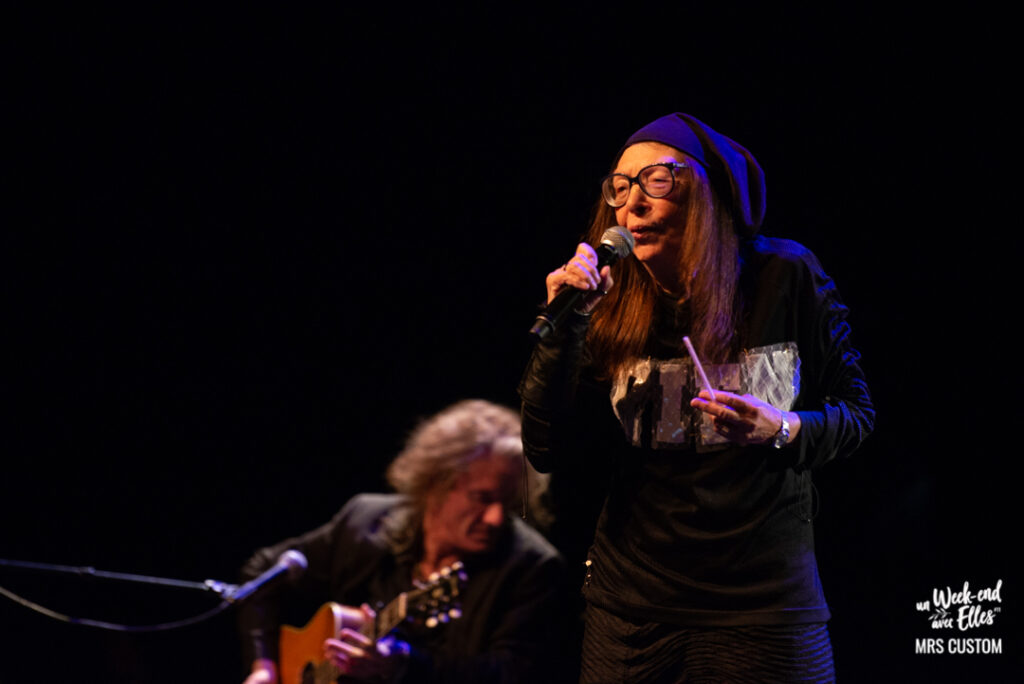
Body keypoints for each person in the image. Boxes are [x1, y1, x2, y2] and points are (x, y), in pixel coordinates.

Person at [519, 112, 875, 683]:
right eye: (620, 187)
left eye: (656, 181)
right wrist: (566, 331)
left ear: (706, 196)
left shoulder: (784, 277)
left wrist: (781, 429)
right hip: (631, 612)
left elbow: (857, 415)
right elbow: (545, 449)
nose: (633, 204)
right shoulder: (607, 296)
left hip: (763, 609)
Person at [238, 399, 569, 684]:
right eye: (482, 498)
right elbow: (262, 574)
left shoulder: (533, 566)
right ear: (436, 483)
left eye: (507, 503)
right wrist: (263, 667)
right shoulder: (364, 522)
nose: (496, 518)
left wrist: (403, 665)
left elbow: (511, 673)